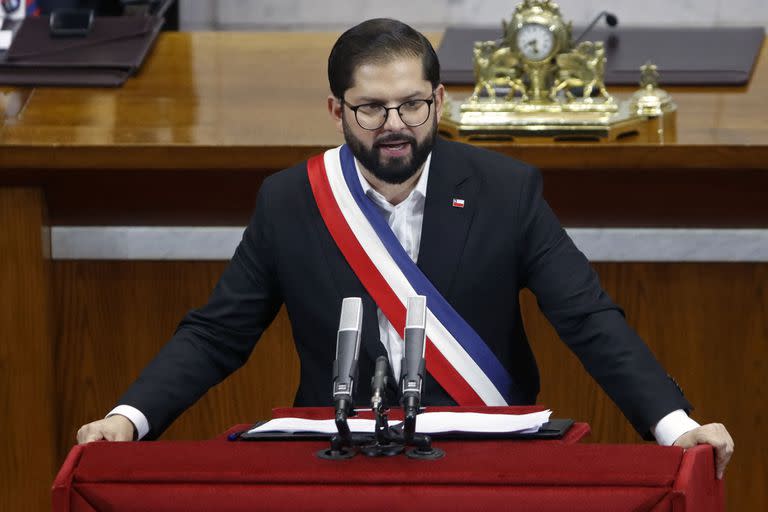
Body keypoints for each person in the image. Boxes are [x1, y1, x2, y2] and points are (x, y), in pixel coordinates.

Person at [77, 18, 733, 478]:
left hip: (485, 457)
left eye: (413, 105)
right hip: (337, 458)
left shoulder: (506, 191)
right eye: (372, 109)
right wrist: (128, 419)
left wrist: (676, 428)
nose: (396, 127)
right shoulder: (291, 201)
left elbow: (588, 319)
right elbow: (219, 334)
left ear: (439, 100)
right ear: (336, 111)